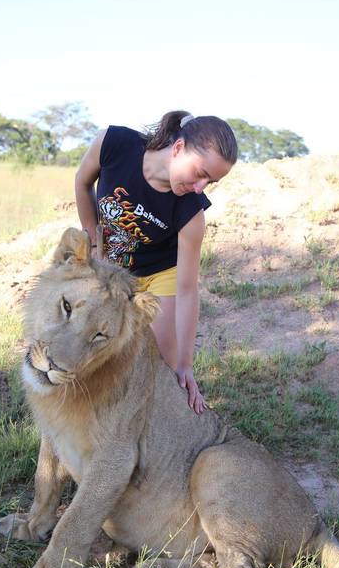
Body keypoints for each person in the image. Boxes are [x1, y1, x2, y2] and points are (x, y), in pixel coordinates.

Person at [75, 110, 237, 414]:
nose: (201, 187)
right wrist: (93, 239)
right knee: (93, 350)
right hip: (111, 267)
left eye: (210, 181)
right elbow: (82, 183)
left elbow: (188, 290)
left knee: (163, 369)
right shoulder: (114, 144)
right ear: (178, 149)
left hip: (160, 274)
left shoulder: (191, 213)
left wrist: (185, 364)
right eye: (200, 173)